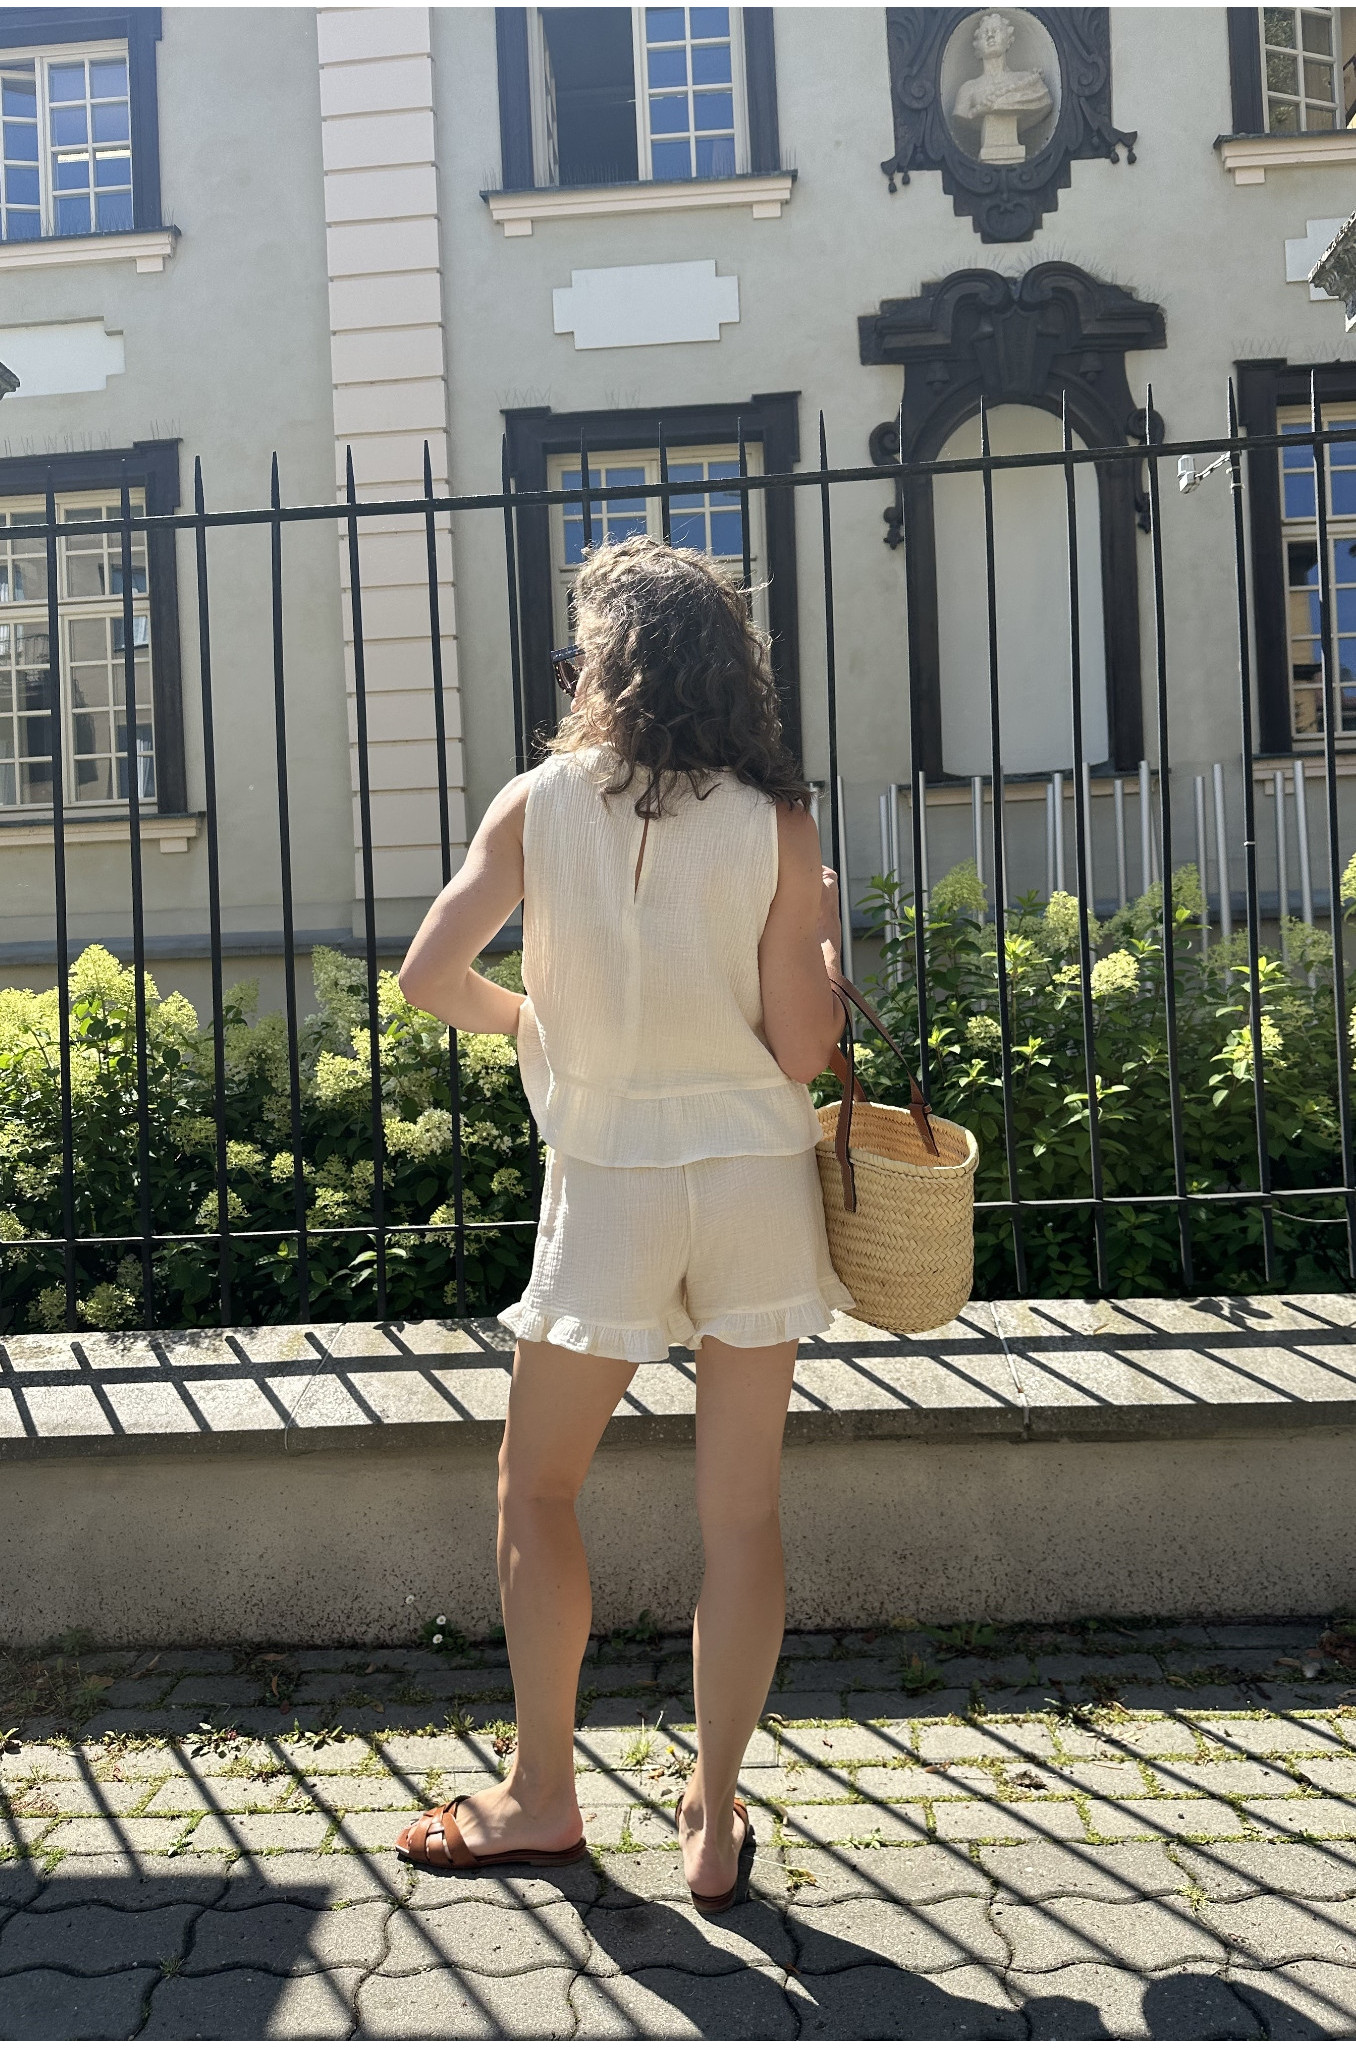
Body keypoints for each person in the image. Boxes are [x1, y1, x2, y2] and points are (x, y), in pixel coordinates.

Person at [393, 534, 850, 1914]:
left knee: (537, 1488)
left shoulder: (535, 805)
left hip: (607, 1184)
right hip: (754, 1181)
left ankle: (541, 1794)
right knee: (742, 1515)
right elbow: (802, 1051)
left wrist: (535, 1024)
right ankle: (710, 1817)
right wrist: (820, 947)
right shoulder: (776, 819)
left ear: (609, 667)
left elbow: (428, 978)